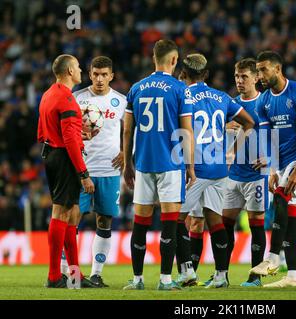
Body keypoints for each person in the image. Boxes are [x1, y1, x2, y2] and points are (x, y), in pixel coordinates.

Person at [175, 53, 255, 289]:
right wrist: (232, 152)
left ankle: (187, 271)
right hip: (219, 168)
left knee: (177, 219)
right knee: (215, 221)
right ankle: (221, 275)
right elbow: (249, 122)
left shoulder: (182, 94)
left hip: (195, 167)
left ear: (184, 74)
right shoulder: (222, 97)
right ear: (206, 74)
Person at [122, 39, 196, 291]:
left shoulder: (136, 88)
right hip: (171, 164)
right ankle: (165, 279)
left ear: (154, 58)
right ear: (174, 60)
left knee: (140, 223)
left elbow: (127, 130)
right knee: (169, 222)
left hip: (143, 163)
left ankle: (137, 279)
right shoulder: (179, 89)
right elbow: (187, 130)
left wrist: (126, 163)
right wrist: (190, 165)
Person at [249, 51, 296, 288]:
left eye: (263, 70)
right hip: (282, 162)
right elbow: (267, 136)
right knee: (288, 213)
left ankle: (273, 258)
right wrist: (271, 167)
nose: (260, 75)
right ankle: (294, 276)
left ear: (278, 69)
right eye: (257, 70)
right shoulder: (263, 101)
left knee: (280, 199)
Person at [60, 56, 127, 287]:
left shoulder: (121, 101)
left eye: (104, 74)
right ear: (90, 74)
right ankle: (67, 272)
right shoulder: (77, 98)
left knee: (104, 220)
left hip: (109, 169)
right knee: (72, 218)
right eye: (95, 74)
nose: (99, 79)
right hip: (81, 169)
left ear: (111, 76)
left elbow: (132, 130)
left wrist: (126, 152)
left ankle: (97, 273)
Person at [37, 54, 95, 288]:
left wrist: (72, 135)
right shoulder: (67, 99)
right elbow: (70, 141)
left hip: (51, 153)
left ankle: (74, 275)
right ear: (70, 71)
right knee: (61, 213)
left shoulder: (48, 94)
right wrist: (84, 174)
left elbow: (43, 130)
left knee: (71, 215)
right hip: (64, 158)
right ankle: (53, 276)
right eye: (79, 67)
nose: (81, 70)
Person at [222, 58, 268, 287]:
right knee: (226, 223)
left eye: (245, 77)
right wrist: (223, 127)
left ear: (256, 78)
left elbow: (280, 134)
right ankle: (222, 274)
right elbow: (212, 132)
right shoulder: (230, 105)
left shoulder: (265, 104)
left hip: (257, 175)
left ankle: (255, 276)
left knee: (256, 224)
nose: (240, 81)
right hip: (233, 174)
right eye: (237, 77)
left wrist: (270, 158)